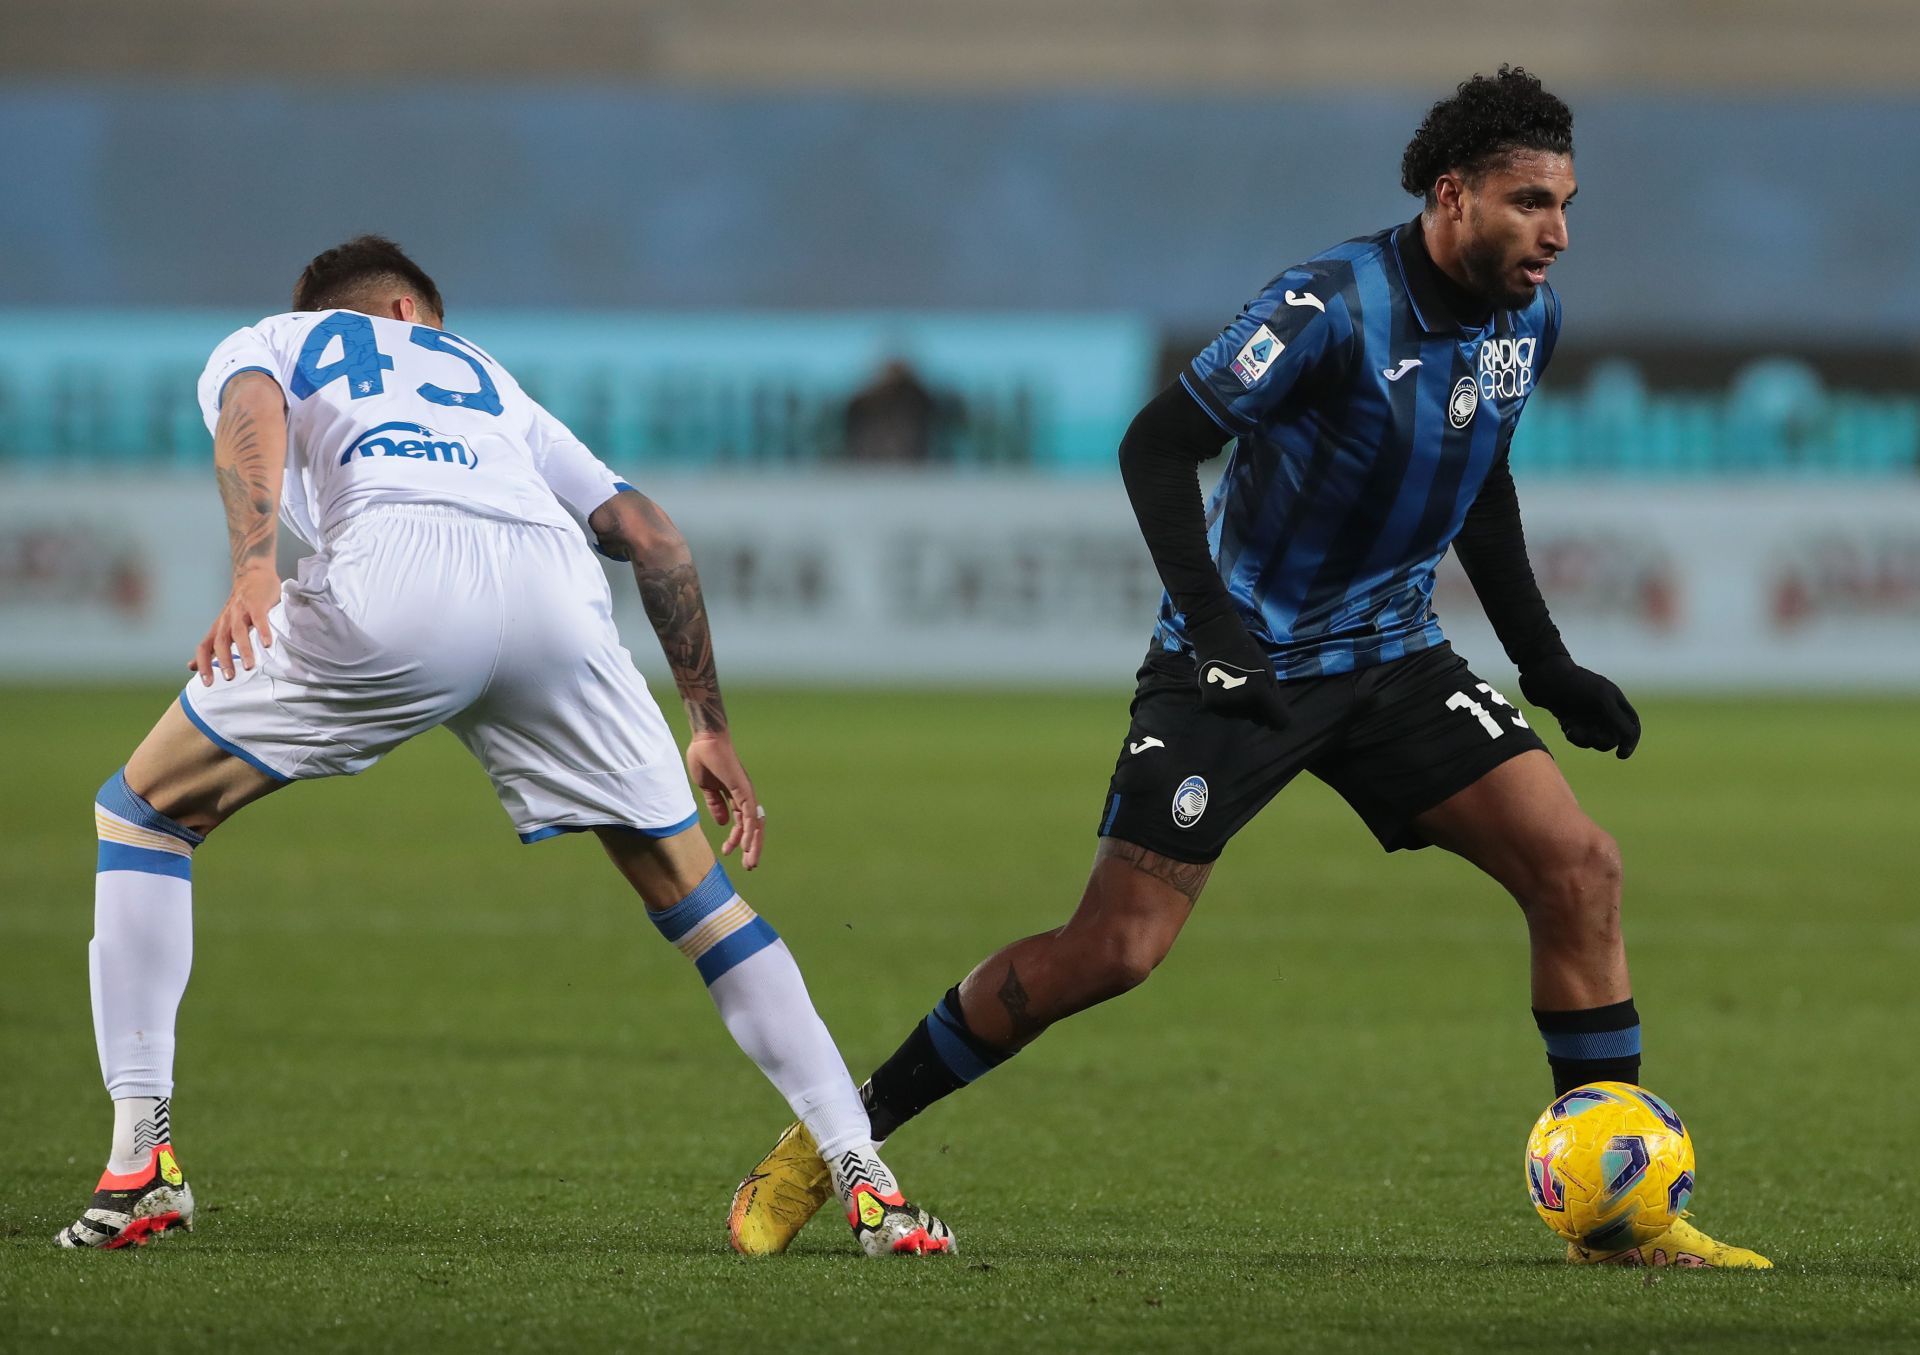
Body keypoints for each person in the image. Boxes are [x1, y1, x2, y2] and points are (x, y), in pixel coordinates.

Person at [726, 68, 1768, 1269]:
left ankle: (1620, 1216)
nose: (1558, 232)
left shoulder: (1528, 317)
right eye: (1531, 201)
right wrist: (1214, 625)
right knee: (1113, 950)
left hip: (1394, 660)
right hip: (1242, 668)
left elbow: (1480, 476)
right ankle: (833, 1136)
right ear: (1451, 196)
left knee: (1580, 867)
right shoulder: (1331, 304)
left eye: (1567, 203)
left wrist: (1548, 661)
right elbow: (1158, 443)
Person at [58, 235, 950, 1258]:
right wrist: (707, 723)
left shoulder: (276, 338)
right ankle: (866, 1175)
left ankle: (141, 1162)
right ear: (404, 309)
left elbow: (249, 411)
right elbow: (652, 534)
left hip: (390, 580)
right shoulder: (487, 375)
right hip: (553, 598)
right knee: (702, 904)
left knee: (143, 812)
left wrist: (255, 568)